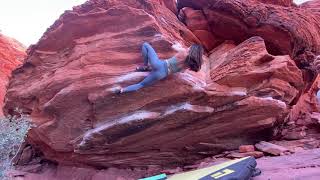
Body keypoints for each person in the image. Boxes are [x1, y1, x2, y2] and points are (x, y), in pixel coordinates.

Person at [114, 42, 203, 94]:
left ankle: (145, 66)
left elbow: (173, 46)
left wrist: (178, 45)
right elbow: (182, 72)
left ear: (192, 49)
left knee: (145, 45)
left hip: (159, 65)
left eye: (190, 47)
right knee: (141, 85)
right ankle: (121, 90)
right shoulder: (188, 65)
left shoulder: (183, 52)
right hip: (162, 74)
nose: (188, 47)